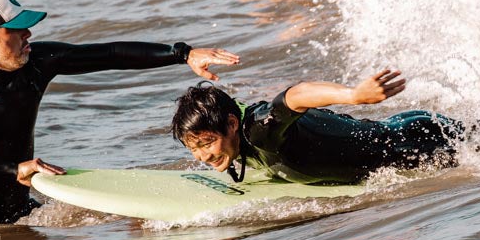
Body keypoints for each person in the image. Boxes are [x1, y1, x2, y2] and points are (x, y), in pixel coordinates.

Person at [0, 0, 239, 223]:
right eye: (17, 29)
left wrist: (183, 54)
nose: (28, 34)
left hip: (20, 210)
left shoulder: (36, 62)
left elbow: (109, 54)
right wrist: (12, 169)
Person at [171, 71, 464, 185]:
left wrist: (354, 96)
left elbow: (295, 95)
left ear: (232, 124)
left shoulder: (260, 130)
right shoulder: (236, 140)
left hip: (420, 141)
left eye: (206, 143)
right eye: (194, 148)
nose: (202, 157)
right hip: (404, 131)